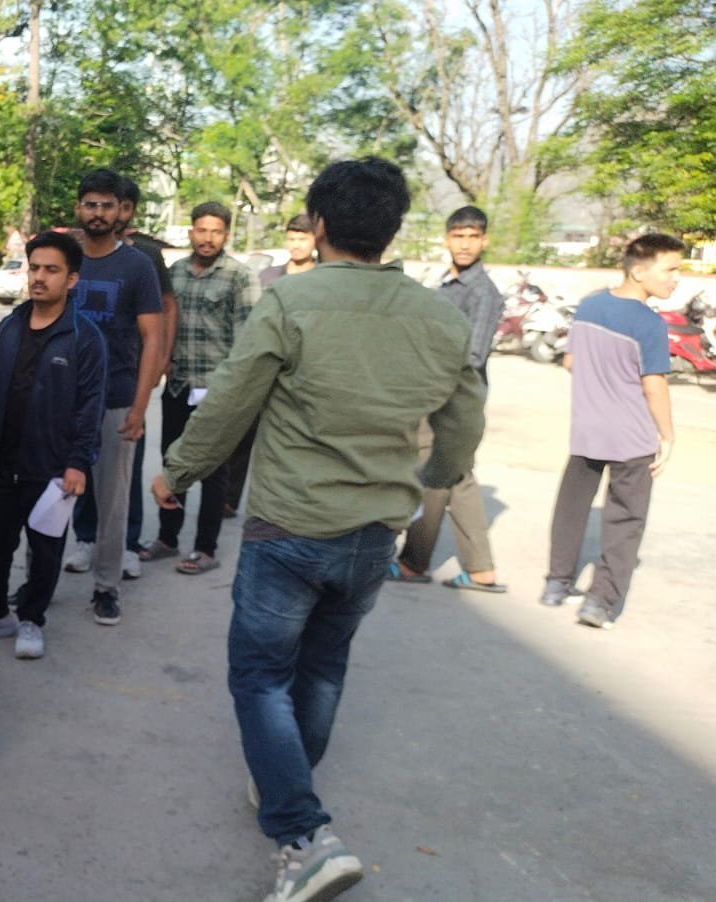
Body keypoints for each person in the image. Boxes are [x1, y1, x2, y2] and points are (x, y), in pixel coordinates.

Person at [152, 158, 484, 902]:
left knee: (261, 675)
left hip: (290, 526)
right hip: (374, 531)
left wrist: (178, 472)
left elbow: (231, 400)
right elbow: (463, 423)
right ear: (393, 228)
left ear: (322, 223)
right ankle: (285, 783)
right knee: (325, 665)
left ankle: (304, 836)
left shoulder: (292, 300)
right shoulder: (438, 316)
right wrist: (431, 480)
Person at [0, 230, 107, 659]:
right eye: (34, 268)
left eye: (51, 270)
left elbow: (90, 407)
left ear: (72, 279)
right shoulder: (9, 326)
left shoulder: (85, 337)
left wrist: (78, 463)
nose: (39, 277)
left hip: (51, 466)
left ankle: (31, 618)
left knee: (45, 548)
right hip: (0, 461)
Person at [542, 233, 680, 629]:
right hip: (632, 438)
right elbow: (654, 386)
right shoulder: (650, 323)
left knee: (571, 507)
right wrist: (668, 435)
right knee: (625, 520)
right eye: (670, 269)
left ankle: (556, 583)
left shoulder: (589, 305)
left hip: (587, 428)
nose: (676, 279)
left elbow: (571, 362)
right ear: (638, 271)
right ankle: (598, 603)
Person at [59, 168, 165, 627]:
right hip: (60, 400)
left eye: (106, 205)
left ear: (120, 210)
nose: (98, 213)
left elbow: (153, 338)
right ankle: (38, 586)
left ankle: (106, 587)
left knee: (113, 500)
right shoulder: (63, 259)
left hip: (116, 398)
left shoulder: (137, 265)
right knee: (48, 493)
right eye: (90, 204)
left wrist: (140, 407)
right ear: (78, 208)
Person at [389, 206, 507, 593]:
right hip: (436, 392)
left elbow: (472, 357)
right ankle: (481, 569)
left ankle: (412, 563)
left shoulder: (483, 292)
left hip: (451, 399)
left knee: (434, 474)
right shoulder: (444, 285)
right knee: (459, 479)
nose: (465, 244)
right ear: (447, 239)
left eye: (473, 237)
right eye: (458, 236)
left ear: (484, 241)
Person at [143, 201, 260, 576]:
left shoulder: (240, 277)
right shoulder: (175, 272)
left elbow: (247, 342)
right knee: (173, 462)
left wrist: (234, 393)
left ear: (226, 235)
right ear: (191, 231)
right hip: (178, 386)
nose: (208, 238)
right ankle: (167, 539)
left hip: (215, 391)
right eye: (202, 230)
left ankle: (205, 548)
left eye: (216, 231)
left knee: (213, 471)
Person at [224, 214, 317, 518]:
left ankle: (291, 501)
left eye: (303, 238)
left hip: (303, 371)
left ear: (315, 240)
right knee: (242, 435)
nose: (296, 244)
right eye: (292, 238)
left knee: (292, 439)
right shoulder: (267, 276)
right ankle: (230, 498)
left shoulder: (323, 278)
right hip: (264, 365)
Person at [117, 175, 178, 580]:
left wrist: (161, 360)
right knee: (82, 459)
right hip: (89, 374)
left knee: (130, 459)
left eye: (123, 206)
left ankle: (128, 542)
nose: (114, 214)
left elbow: (167, 307)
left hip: (132, 372)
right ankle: (87, 537)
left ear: (131, 211)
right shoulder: (81, 250)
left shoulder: (147, 254)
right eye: (106, 204)